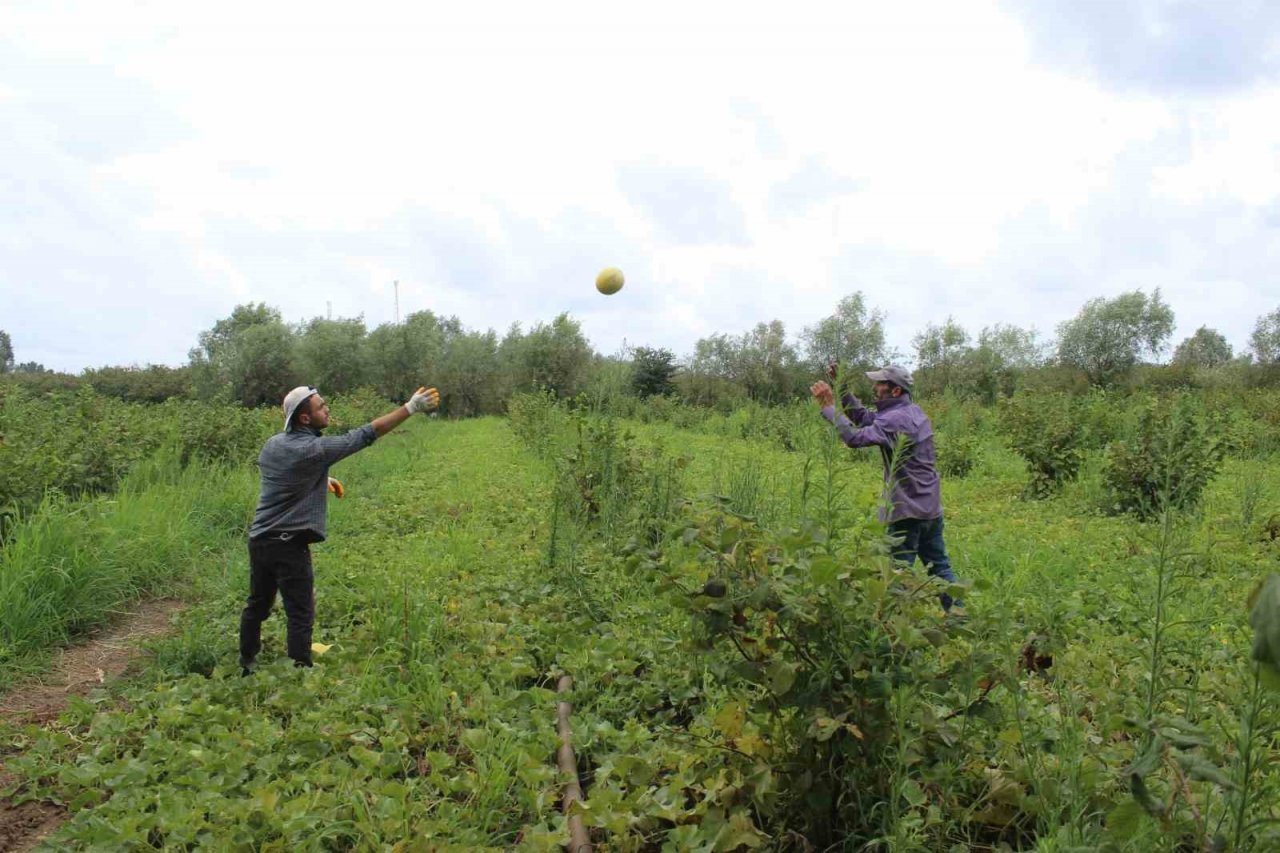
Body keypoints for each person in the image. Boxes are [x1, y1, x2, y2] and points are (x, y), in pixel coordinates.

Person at [239, 384, 440, 674]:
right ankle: (300, 668)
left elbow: (284, 476)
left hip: (260, 540)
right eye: (321, 407)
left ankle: (247, 661)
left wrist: (320, 478)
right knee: (301, 610)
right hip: (288, 544)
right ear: (305, 419)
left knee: (257, 603)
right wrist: (410, 408)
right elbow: (363, 436)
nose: (327, 409)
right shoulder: (314, 449)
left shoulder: (273, 444)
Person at [810, 365, 962, 612]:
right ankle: (958, 616)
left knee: (897, 576)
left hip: (906, 511)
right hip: (931, 509)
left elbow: (855, 438)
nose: (875, 387)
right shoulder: (913, 412)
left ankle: (895, 627)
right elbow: (864, 418)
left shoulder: (894, 420)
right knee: (940, 568)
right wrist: (843, 389)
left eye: (880, 384)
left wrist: (828, 406)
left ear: (895, 389)